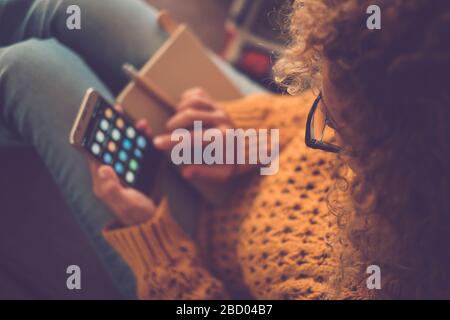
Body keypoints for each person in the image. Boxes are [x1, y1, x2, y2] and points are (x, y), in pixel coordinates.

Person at [94, 0, 450, 299]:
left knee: (40, 67)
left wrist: (154, 244)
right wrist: (248, 133)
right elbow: (311, 111)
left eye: (337, 128)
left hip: (184, 240)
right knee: (72, 9)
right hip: (254, 152)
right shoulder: (412, 82)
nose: (319, 108)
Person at [0, 0, 263, 298]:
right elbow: (317, 116)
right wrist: (255, 137)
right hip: (283, 142)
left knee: (28, 68)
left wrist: (152, 238)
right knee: (70, 7)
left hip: (209, 252)